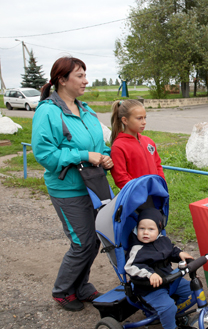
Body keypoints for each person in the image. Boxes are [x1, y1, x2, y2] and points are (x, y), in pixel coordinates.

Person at [32, 57, 114, 311]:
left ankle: (82, 286)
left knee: (96, 238)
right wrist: (82, 155)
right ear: (61, 80)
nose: (85, 81)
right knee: (82, 242)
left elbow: (96, 144)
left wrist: (105, 155)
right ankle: (62, 290)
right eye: (79, 76)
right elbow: (44, 154)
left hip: (93, 185)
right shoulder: (48, 111)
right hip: (68, 189)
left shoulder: (85, 109)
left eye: (84, 75)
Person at [125, 208, 194, 329]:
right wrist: (150, 274)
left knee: (192, 290)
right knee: (168, 307)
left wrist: (179, 254)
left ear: (159, 229)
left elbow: (171, 249)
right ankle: (171, 325)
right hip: (150, 288)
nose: (146, 232)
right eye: (142, 228)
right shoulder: (137, 249)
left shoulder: (162, 240)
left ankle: (175, 314)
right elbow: (131, 267)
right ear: (137, 229)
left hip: (169, 279)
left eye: (151, 229)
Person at [110, 99, 165, 190]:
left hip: (155, 193)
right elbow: (121, 178)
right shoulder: (119, 147)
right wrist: (140, 192)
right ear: (125, 120)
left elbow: (158, 165)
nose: (144, 122)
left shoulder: (149, 142)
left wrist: (161, 185)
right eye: (139, 118)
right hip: (136, 198)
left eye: (145, 117)